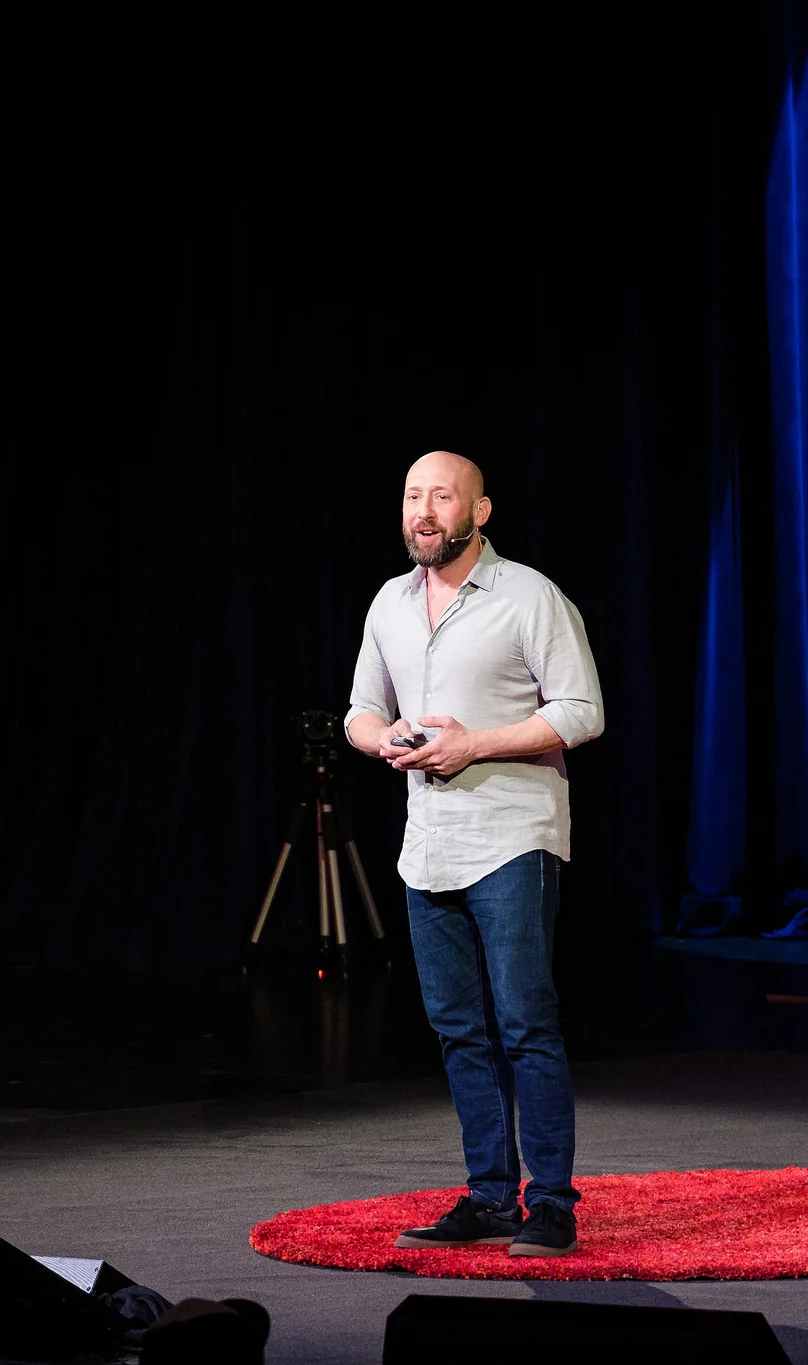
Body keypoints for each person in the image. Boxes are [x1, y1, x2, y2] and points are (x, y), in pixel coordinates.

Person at [344, 450, 604, 1259]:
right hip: (428, 846)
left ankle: (551, 1203)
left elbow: (583, 711)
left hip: (512, 835)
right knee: (458, 1028)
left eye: (442, 496)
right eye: (413, 495)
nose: (424, 510)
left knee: (526, 1022)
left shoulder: (529, 595)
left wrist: (476, 744)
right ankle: (490, 1196)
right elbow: (360, 709)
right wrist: (382, 737)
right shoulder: (390, 602)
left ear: (479, 510)